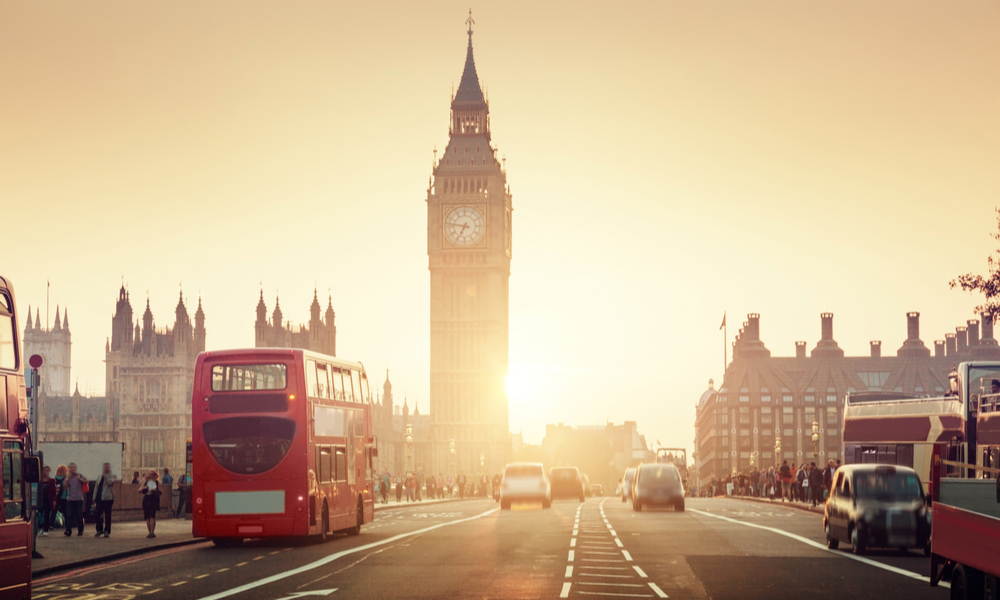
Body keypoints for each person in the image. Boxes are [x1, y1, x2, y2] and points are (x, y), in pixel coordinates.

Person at [63, 463, 87, 537]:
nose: (72, 469)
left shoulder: (79, 475)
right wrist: (67, 479)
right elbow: (65, 488)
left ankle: (80, 530)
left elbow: (86, 482)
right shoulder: (67, 477)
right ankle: (68, 530)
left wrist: (79, 478)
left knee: (79, 515)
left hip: (78, 498)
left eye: (73, 467)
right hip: (70, 499)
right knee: (69, 515)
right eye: (70, 467)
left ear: (76, 468)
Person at [93, 463, 117, 538]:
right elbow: (96, 487)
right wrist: (94, 497)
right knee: (97, 514)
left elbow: (109, 482)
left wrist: (106, 475)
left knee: (107, 515)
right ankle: (99, 529)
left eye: (107, 467)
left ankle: (107, 530)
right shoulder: (99, 476)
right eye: (105, 467)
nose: (106, 469)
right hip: (99, 498)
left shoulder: (113, 476)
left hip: (108, 498)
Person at [139, 470, 161, 538]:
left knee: (152, 516)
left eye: (152, 475)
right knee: (147, 517)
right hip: (147, 499)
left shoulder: (157, 483)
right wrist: (145, 488)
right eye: (150, 474)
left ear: (155, 476)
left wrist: (154, 491)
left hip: (154, 499)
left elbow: (160, 491)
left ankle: (152, 532)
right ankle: (149, 532)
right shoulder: (145, 482)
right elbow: (139, 490)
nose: (151, 476)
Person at [39, 466, 57, 536]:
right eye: (44, 470)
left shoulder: (51, 480)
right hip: (40, 499)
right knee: (39, 514)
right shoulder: (39, 480)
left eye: (47, 470)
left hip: (48, 499)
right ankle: (41, 527)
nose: (45, 472)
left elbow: (54, 491)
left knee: (46, 514)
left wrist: (54, 500)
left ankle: (46, 529)